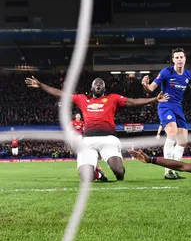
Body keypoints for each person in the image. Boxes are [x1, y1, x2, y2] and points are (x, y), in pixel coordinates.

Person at [25, 76, 168, 182]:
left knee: (119, 172)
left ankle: (116, 168)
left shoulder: (113, 98)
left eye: (101, 83)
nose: (98, 84)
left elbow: (133, 102)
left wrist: (155, 99)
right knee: (85, 177)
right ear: (92, 88)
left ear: (104, 88)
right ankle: (99, 174)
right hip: (87, 141)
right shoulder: (82, 99)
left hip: (109, 139)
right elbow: (61, 94)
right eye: (96, 83)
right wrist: (41, 85)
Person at [141, 47, 191, 180]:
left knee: (183, 141)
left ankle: (174, 169)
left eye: (181, 57)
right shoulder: (166, 72)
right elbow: (151, 88)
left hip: (178, 107)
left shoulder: (188, 75)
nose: (179, 59)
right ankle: (167, 171)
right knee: (172, 133)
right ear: (173, 60)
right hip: (165, 105)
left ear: (185, 59)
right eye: (176, 57)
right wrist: (145, 85)